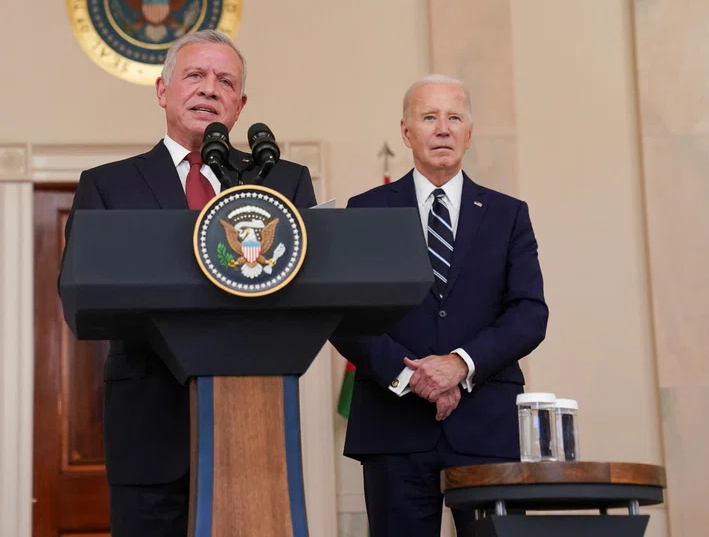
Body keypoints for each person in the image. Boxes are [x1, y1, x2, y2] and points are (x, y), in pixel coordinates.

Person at [59, 30, 318, 537]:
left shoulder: (282, 182)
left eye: (225, 81)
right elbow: (80, 292)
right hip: (149, 424)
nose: (208, 89)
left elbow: (309, 290)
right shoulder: (109, 186)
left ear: (240, 104)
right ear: (162, 90)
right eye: (194, 76)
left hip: (254, 423)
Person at [330, 74, 548, 537]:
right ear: (407, 132)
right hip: (394, 427)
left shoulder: (509, 215)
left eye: (454, 117)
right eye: (429, 117)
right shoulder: (366, 212)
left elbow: (529, 314)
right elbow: (346, 315)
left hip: (488, 427)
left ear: (470, 131)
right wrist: (415, 377)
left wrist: (459, 365)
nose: (443, 128)